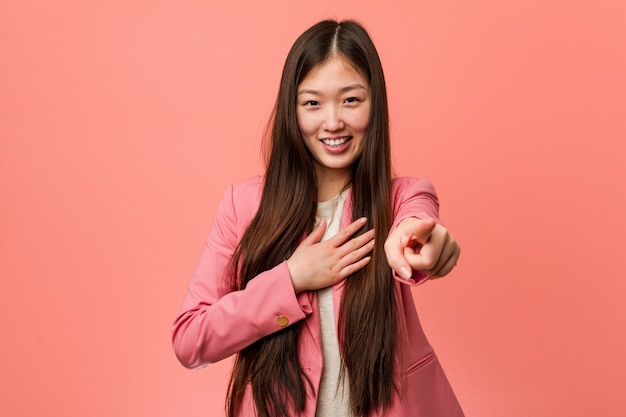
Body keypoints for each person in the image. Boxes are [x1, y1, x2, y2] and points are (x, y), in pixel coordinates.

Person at [172, 19, 464, 417]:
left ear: (374, 104)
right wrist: (290, 279)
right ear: (292, 110)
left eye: (350, 100)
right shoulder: (243, 205)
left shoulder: (402, 197)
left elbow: (417, 226)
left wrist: (420, 245)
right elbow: (190, 340)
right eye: (312, 103)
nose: (332, 122)